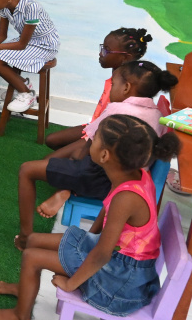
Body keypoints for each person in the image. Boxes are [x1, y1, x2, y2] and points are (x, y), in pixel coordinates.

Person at [0, 114, 181, 320]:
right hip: (116, 260)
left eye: (94, 138)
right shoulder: (130, 173)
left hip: (119, 278)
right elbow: (106, 210)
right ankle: (24, 287)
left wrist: (71, 283)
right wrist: (88, 238)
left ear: (104, 155)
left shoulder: (127, 197)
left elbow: (102, 254)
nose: (90, 139)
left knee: (31, 256)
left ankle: (20, 315)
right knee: (33, 240)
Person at [15, 60, 177, 250]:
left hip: (98, 176)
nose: (111, 90)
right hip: (126, 182)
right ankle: (66, 190)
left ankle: (26, 236)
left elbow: (88, 147)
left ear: (126, 87)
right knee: (61, 162)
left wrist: (73, 159)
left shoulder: (117, 110)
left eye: (113, 85)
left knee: (28, 169)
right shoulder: (158, 115)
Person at [45, 27, 153, 151]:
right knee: (52, 140)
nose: (101, 53)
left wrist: (89, 143)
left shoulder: (125, 90)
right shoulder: (114, 78)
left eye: (107, 50)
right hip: (94, 127)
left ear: (125, 58)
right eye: (102, 48)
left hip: (101, 136)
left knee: (53, 160)